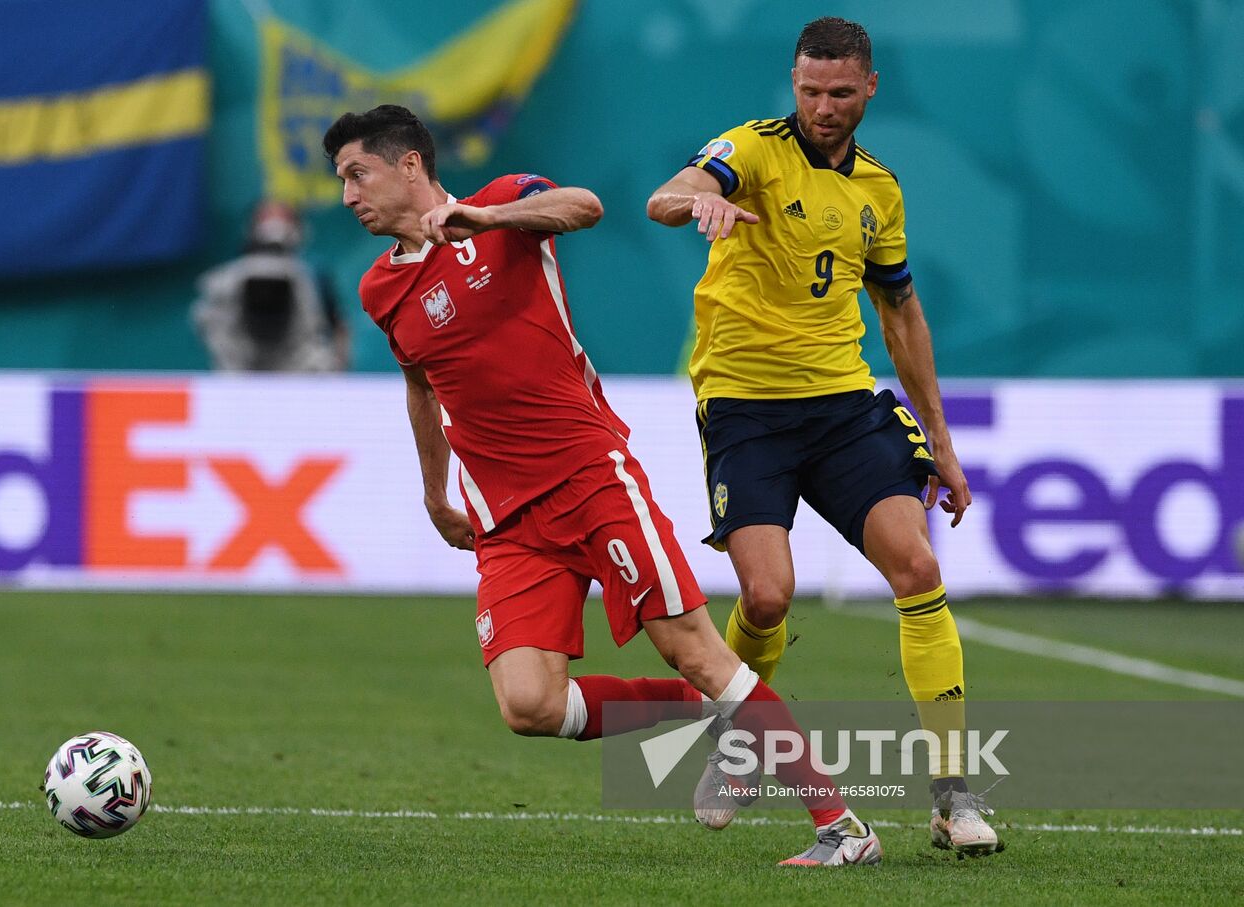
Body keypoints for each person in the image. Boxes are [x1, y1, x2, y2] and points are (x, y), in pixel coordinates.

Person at [323, 103, 881, 867]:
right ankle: (713, 714)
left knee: (692, 647)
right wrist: (435, 491)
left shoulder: (508, 206)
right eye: (342, 181)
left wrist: (486, 217)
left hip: (589, 477)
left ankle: (844, 827)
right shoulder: (378, 289)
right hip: (507, 517)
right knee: (529, 704)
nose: (349, 195)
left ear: (409, 165)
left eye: (359, 174)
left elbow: (583, 205)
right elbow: (422, 388)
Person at [646, 17, 999, 855]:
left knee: (915, 565)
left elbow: (901, 311)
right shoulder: (754, 149)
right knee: (768, 596)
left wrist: (942, 443)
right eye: (809, 91)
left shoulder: (879, 188)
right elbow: (669, 193)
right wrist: (697, 198)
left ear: (870, 87)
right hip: (744, 405)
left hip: (843, 403)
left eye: (840, 92)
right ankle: (736, 743)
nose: (823, 107)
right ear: (792, 83)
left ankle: (954, 795)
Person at [193, 200, 351, 372]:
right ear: (252, 224)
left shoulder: (313, 277)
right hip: (240, 372)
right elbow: (207, 322)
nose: (274, 225)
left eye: (283, 218)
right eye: (267, 217)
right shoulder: (227, 279)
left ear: (299, 226)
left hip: (301, 374)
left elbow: (337, 326)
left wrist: (335, 368)